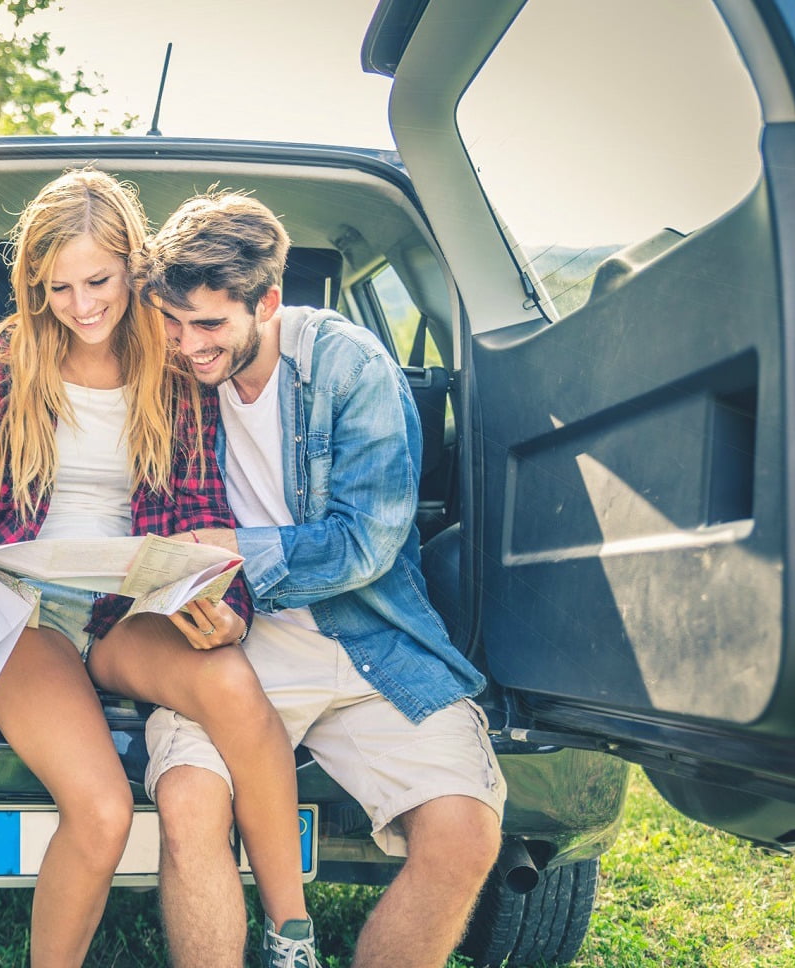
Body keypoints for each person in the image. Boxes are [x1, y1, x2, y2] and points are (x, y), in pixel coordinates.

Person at [0, 169, 314, 968]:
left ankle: (292, 936)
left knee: (230, 679)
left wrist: (227, 607)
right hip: (17, 612)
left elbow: (199, 513)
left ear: (133, 265)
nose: (83, 304)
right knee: (99, 812)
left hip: (129, 608)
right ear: (33, 284)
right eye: (58, 288)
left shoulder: (174, 362)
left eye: (99, 280)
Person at [130, 192, 507, 968]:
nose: (186, 347)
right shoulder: (165, 372)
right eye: (172, 324)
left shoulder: (349, 364)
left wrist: (231, 547)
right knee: (188, 801)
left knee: (466, 834)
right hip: (233, 645)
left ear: (269, 301)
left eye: (209, 326)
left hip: (371, 638)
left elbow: (369, 542)